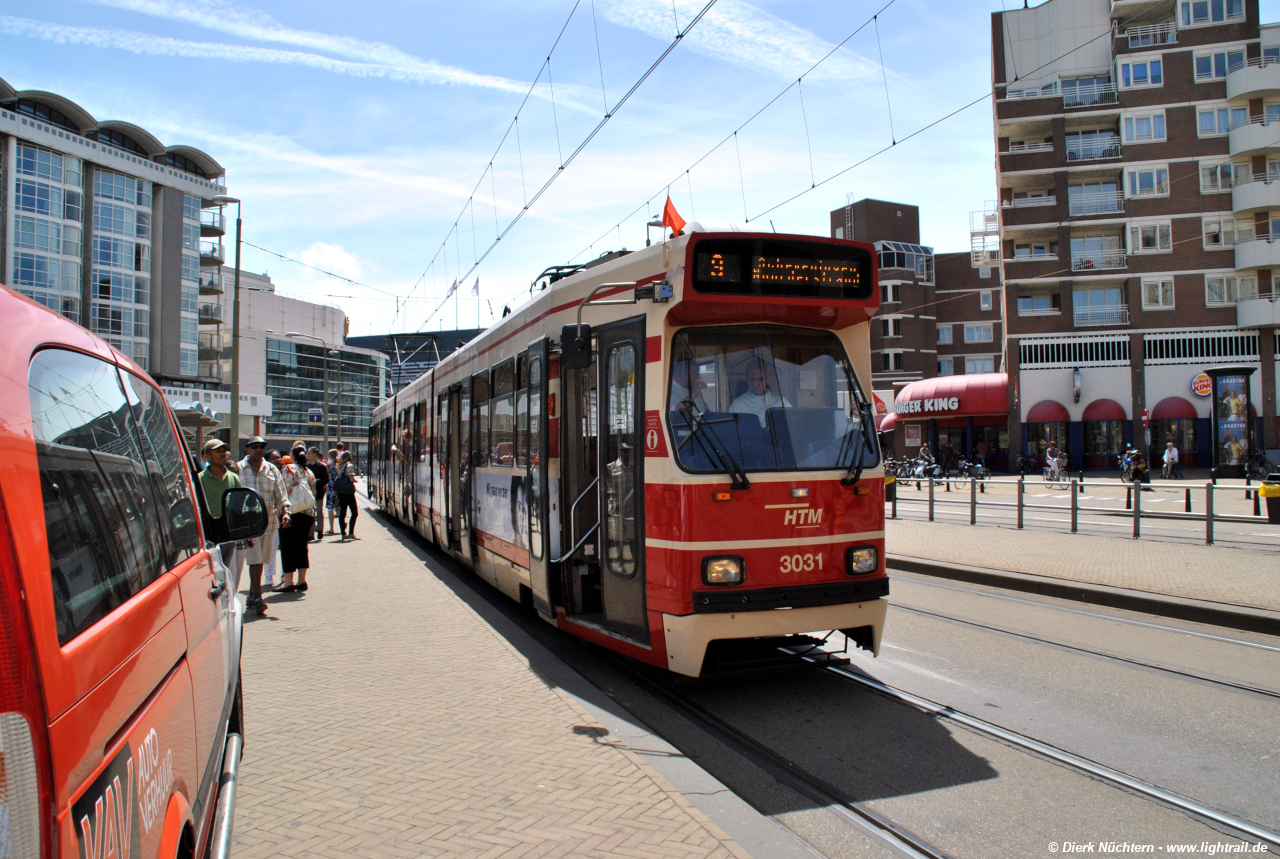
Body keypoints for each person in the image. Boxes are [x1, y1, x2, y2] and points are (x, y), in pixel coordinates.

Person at [237, 436, 290, 614]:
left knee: (262, 560)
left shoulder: (272, 469)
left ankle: (252, 594)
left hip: (268, 523)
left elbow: (281, 494)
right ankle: (257, 596)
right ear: (247, 450)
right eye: (254, 447)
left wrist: (286, 512)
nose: (258, 450)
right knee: (255, 559)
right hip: (247, 525)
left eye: (261, 447)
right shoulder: (238, 469)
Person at [278, 445, 317, 592]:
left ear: (292, 456)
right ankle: (302, 581)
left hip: (291, 513)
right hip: (307, 514)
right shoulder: (309, 472)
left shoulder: (289, 469)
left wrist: (280, 509)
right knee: (302, 546)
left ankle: (288, 582)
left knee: (287, 547)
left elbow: (286, 491)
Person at [198, 439, 241, 544]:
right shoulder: (199, 480)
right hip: (207, 533)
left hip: (227, 533)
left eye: (224, 451)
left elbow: (239, 507)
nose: (223, 454)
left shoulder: (234, 478)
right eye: (218, 451)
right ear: (207, 455)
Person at [729, 361, 791, 428]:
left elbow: (793, 425)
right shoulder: (737, 405)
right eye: (752, 379)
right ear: (747, 379)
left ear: (767, 380)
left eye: (760, 379)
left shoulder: (781, 402)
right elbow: (732, 431)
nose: (756, 384)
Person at [332, 450, 360, 540]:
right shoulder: (349, 465)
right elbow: (351, 478)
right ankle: (351, 533)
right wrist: (355, 480)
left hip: (341, 492)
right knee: (354, 513)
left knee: (342, 513)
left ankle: (343, 534)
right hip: (348, 492)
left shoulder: (339, 465)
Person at [306, 447, 330, 541]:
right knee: (310, 512)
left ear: (315, 455)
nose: (308, 456)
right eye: (308, 454)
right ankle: (310, 532)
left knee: (319, 511)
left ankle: (320, 530)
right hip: (309, 493)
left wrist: (316, 482)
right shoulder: (307, 466)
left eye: (310, 454)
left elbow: (326, 480)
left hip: (319, 492)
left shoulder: (322, 466)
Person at [325, 447, 340, 535]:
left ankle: (331, 528)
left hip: (331, 488)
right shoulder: (339, 465)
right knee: (339, 507)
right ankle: (342, 526)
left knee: (330, 508)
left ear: (330, 456)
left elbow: (327, 476)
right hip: (339, 488)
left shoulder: (329, 466)